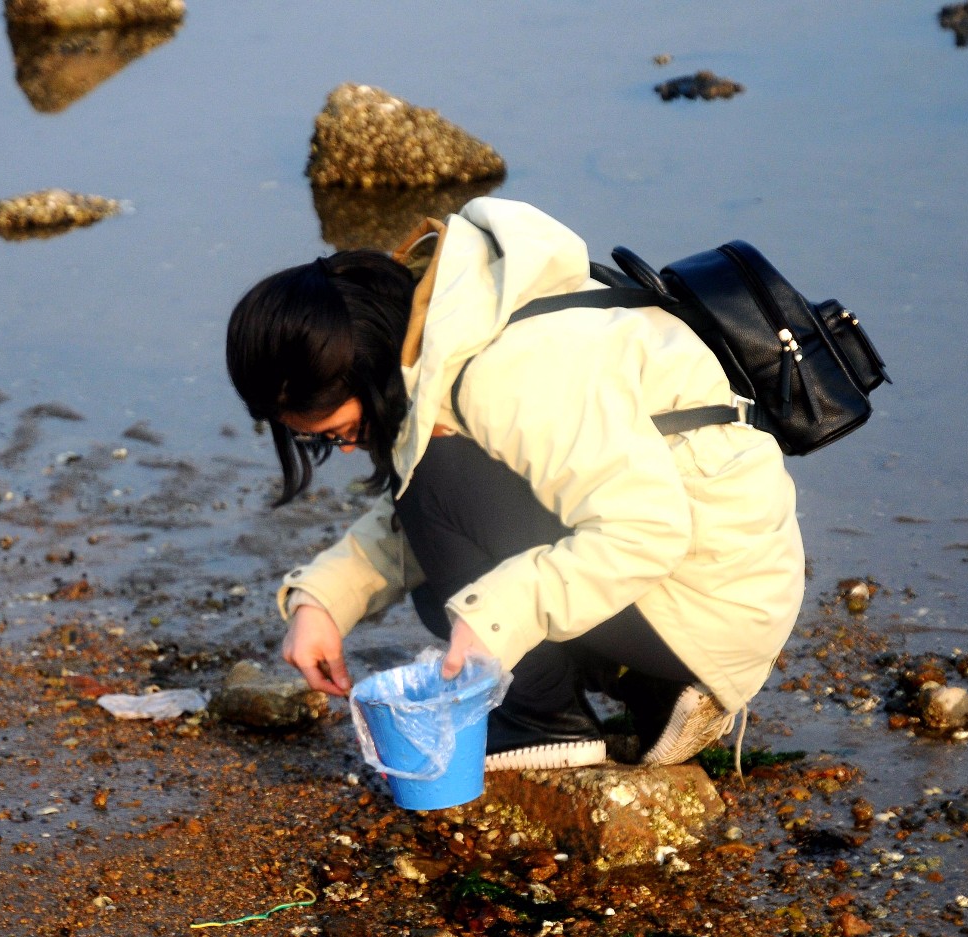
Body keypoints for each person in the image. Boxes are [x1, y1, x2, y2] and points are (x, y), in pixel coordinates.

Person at [225, 197, 804, 771]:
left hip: (714, 601)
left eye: (341, 431)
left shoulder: (504, 373)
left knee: (449, 517)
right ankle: (653, 686)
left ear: (366, 365)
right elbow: (443, 517)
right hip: (712, 580)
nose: (347, 448)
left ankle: (542, 718)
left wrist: (492, 618)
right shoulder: (465, 323)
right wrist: (323, 602)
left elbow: (644, 532)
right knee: (445, 566)